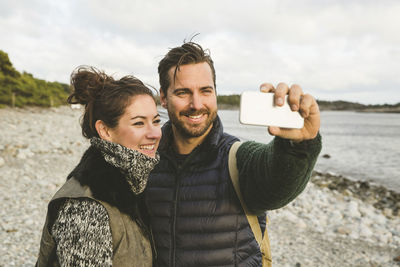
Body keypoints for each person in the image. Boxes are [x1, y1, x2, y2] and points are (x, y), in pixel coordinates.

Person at [144, 42, 322, 266]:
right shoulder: (146, 159)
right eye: (183, 92)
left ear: (215, 93)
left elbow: (277, 186)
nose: (196, 104)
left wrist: (298, 145)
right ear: (163, 97)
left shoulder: (237, 157)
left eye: (205, 91)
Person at [36, 66, 161, 266]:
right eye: (139, 123)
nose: (154, 133)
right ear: (105, 130)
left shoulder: (131, 183)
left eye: (156, 121)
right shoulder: (87, 209)